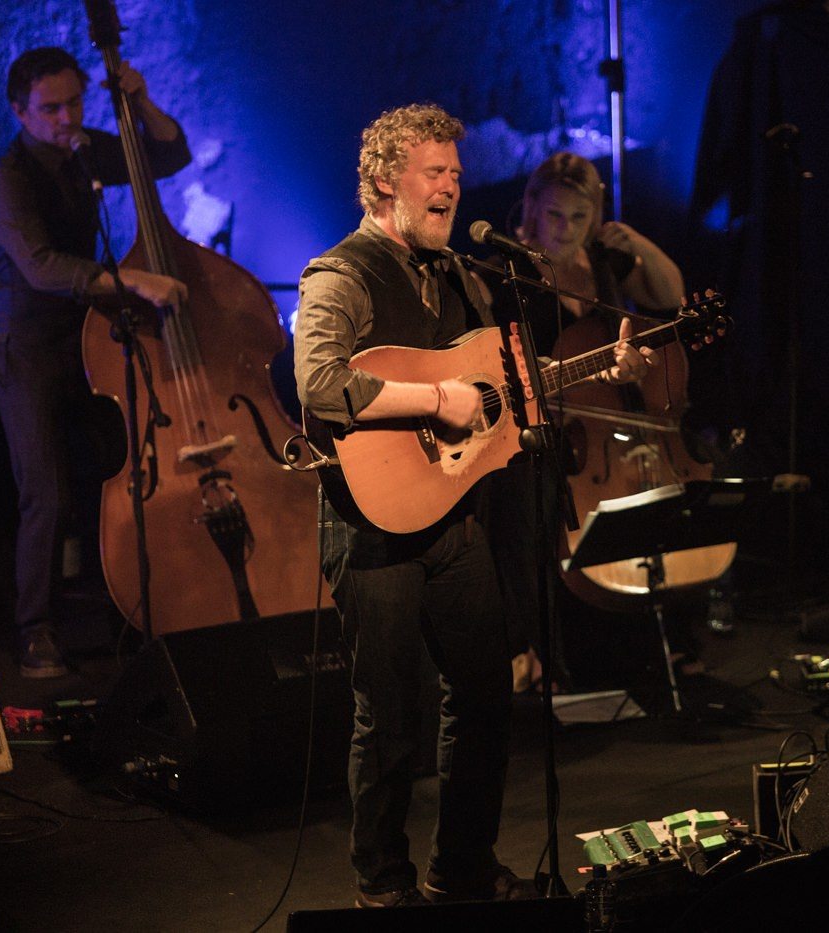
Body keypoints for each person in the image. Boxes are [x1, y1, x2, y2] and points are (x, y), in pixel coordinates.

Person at [294, 105, 651, 908]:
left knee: (486, 694)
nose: (452, 186)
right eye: (435, 172)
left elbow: (507, 388)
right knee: (387, 715)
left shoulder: (459, 274)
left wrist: (602, 367)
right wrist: (434, 397)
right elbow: (319, 384)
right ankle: (382, 888)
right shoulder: (339, 274)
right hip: (369, 520)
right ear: (386, 180)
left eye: (456, 173)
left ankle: (462, 866)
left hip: (450, 516)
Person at [0, 47, 190, 678]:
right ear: (20, 112)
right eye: (51, 108)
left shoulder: (84, 149)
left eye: (75, 102)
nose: (68, 117)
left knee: (114, 467)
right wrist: (133, 283)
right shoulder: (7, 180)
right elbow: (43, 268)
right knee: (46, 489)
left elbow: (170, 157)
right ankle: (34, 632)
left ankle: (123, 607)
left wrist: (140, 101)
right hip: (25, 346)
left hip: (85, 339)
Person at [480, 153, 689, 691]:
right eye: (555, 216)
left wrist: (635, 241)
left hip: (605, 433)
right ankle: (540, 657)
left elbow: (670, 298)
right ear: (531, 209)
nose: (567, 229)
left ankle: (641, 647)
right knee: (528, 509)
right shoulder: (511, 273)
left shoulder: (601, 263)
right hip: (537, 434)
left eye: (580, 217)